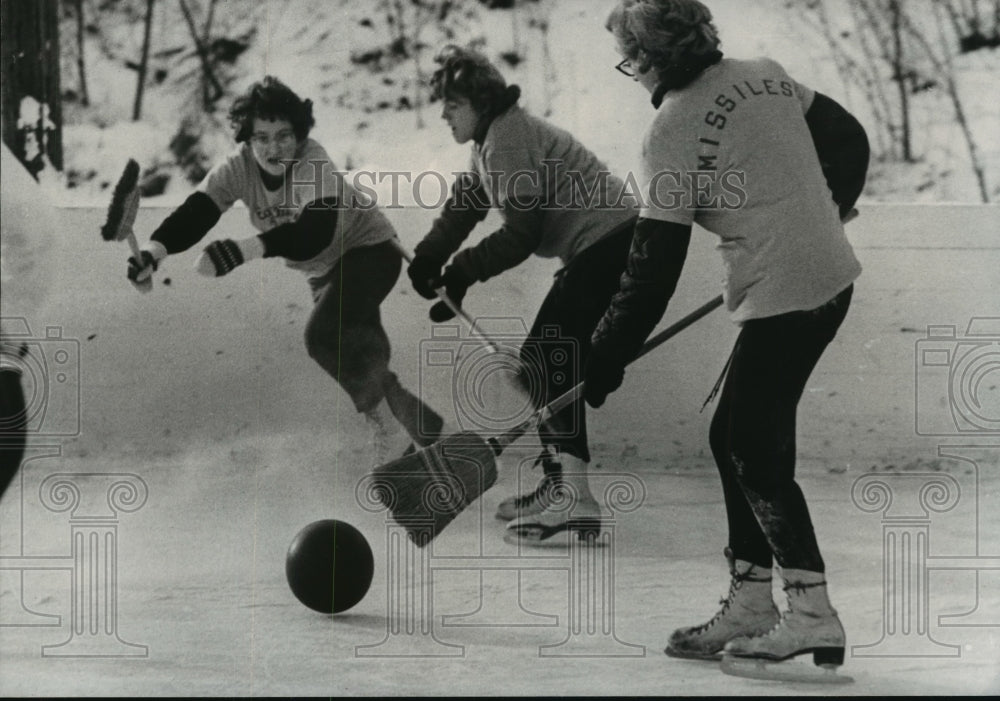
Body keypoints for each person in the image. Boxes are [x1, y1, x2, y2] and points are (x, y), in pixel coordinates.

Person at [591, 0, 868, 672]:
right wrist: (826, 213)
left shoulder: (670, 131)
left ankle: (810, 612)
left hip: (785, 294)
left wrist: (600, 359)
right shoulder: (766, 73)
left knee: (752, 449)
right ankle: (751, 599)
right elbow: (848, 137)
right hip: (828, 279)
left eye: (631, 58)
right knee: (735, 436)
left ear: (653, 57)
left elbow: (650, 270)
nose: (631, 72)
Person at [126, 76, 444, 463]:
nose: (274, 149)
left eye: (284, 136)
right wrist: (153, 252)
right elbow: (197, 213)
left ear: (300, 134)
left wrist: (246, 250)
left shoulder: (313, 161)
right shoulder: (237, 169)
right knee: (365, 360)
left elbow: (315, 233)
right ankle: (436, 443)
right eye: (262, 138)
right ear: (246, 139)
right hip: (323, 273)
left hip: (369, 251)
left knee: (322, 337)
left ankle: (392, 433)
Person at [407, 45, 640, 544]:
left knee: (547, 360)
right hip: (600, 245)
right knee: (544, 364)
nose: (443, 114)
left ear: (478, 102)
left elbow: (522, 234)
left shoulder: (508, 138)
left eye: (451, 104)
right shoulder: (491, 140)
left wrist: (462, 273)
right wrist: (430, 256)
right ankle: (562, 485)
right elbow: (464, 207)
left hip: (609, 242)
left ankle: (573, 497)